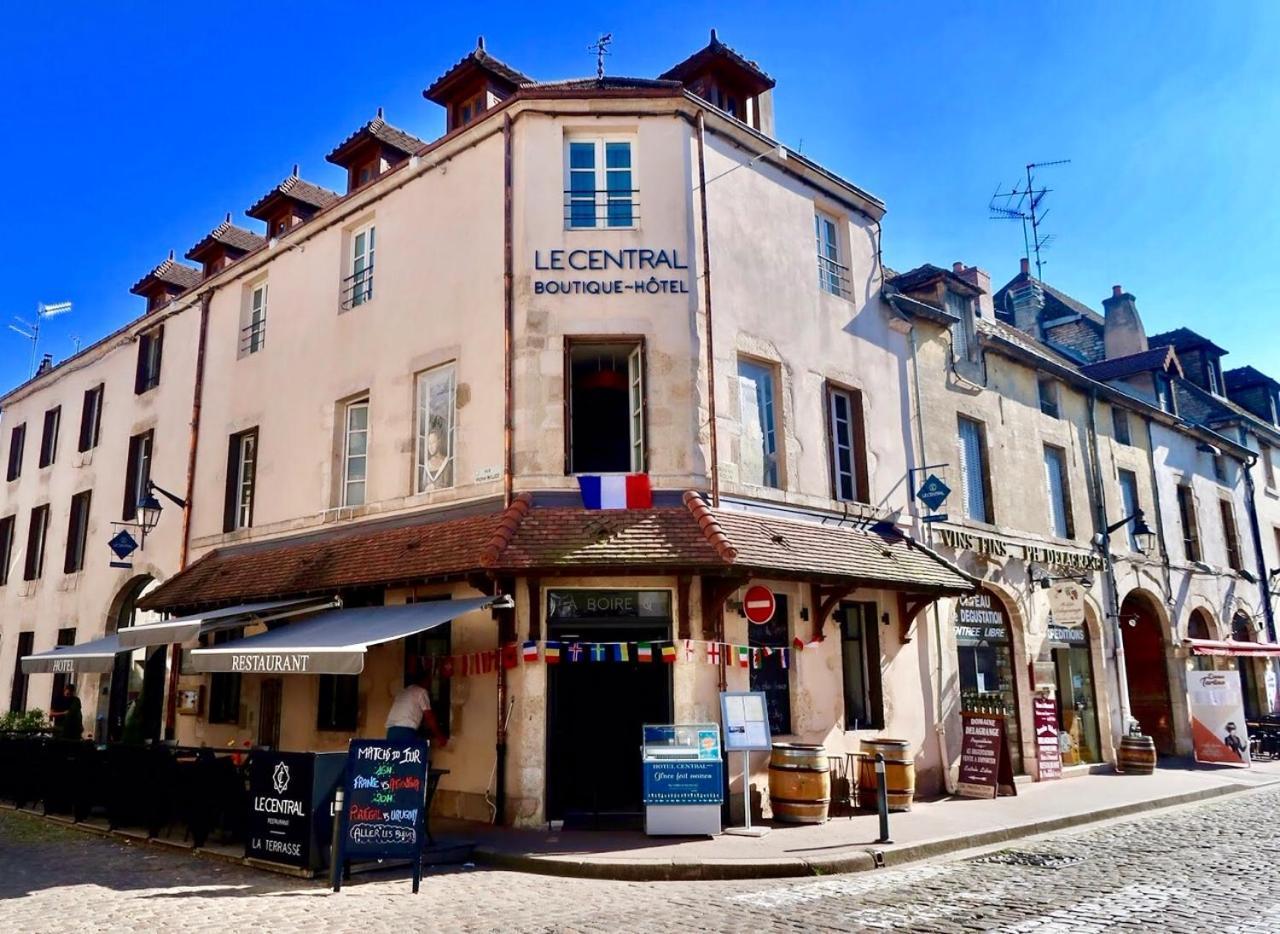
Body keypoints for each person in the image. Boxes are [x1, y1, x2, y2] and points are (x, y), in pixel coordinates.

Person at [385, 674, 447, 748]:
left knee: (394, 758)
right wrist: (439, 736)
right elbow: (429, 717)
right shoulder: (421, 692)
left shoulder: (403, 691)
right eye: (429, 681)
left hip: (391, 732)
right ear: (425, 681)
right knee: (407, 758)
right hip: (405, 732)